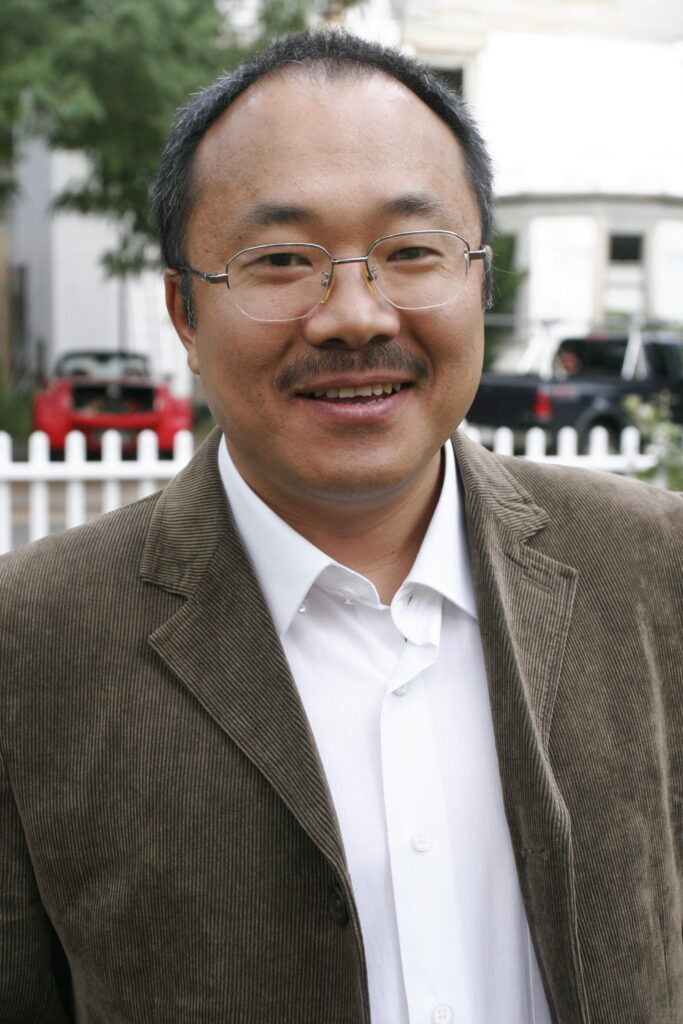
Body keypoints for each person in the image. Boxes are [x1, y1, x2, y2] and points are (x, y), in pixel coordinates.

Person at [0, 29, 681, 1024]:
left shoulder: (652, 568)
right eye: (280, 259)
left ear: (481, 281)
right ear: (183, 313)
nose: (354, 314)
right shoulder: (32, 644)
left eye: (410, 251)